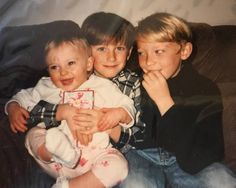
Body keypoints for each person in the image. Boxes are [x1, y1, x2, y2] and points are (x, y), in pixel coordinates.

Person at [118, 12, 236, 188]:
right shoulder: (133, 83)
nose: (148, 62)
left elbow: (200, 159)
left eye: (159, 51)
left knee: (222, 181)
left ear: (184, 51)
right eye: (142, 52)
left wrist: (165, 102)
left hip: (186, 160)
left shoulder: (204, 89)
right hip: (141, 156)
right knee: (136, 184)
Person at [5, 32, 136, 188]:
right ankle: (56, 150)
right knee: (33, 135)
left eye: (71, 63)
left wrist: (119, 113)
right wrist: (13, 107)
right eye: (54, 67)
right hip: (53, 160)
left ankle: (69, 186)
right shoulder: (45, 86)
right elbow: (21, 97)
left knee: (119, 166)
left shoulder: (102, 86)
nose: (63, 72)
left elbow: (126, 104)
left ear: (88, 64)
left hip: (93, 155)